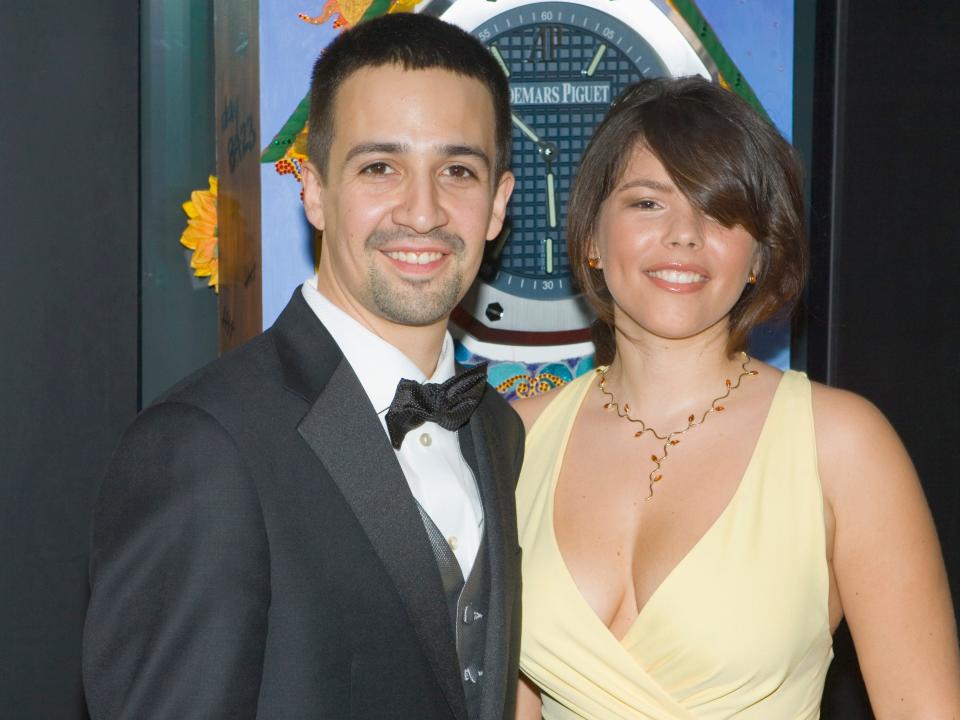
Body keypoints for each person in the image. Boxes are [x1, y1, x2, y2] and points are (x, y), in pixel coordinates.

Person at [83, 12, 523, 720]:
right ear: (313, 190)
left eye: (458, 171)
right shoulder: (204, 446)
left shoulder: (500, 432)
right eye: (380, 167)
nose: (422, 210)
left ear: (498, 204)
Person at [513, 77, 960, 719]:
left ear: (757, 256)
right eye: (647, 203)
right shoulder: (513, 441)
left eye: (721, 212)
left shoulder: (840, 445)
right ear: (589, 236)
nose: (685, 235)